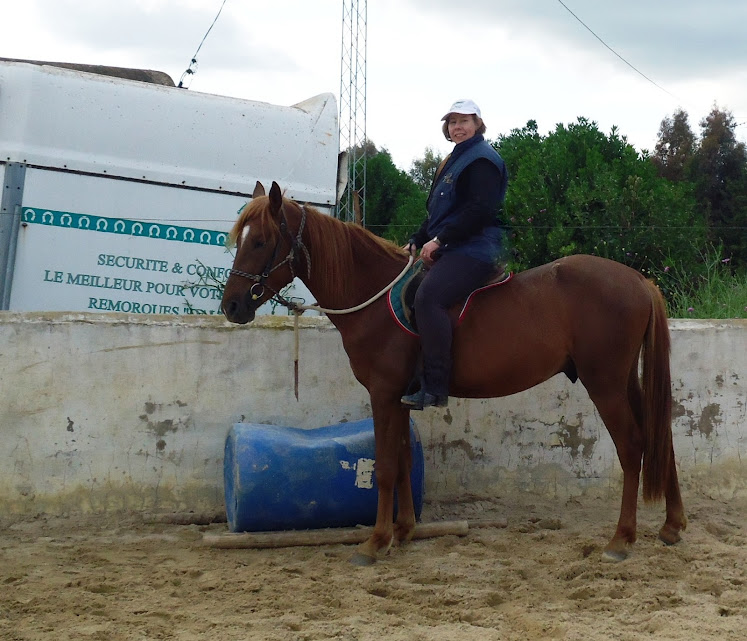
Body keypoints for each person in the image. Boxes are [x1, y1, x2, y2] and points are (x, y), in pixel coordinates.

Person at [401, 99, 509, 410]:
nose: (457, 127)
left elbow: (479, 210)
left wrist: (440, 240)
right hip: (454, 246)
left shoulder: (482, 160)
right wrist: (417, 238)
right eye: (452, 122)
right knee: (408, 291)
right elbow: (439, 213)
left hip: (477, 249)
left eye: (464, 121)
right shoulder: (452, 161)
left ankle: (435, 386)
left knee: (428, 298)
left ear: (478, 125)